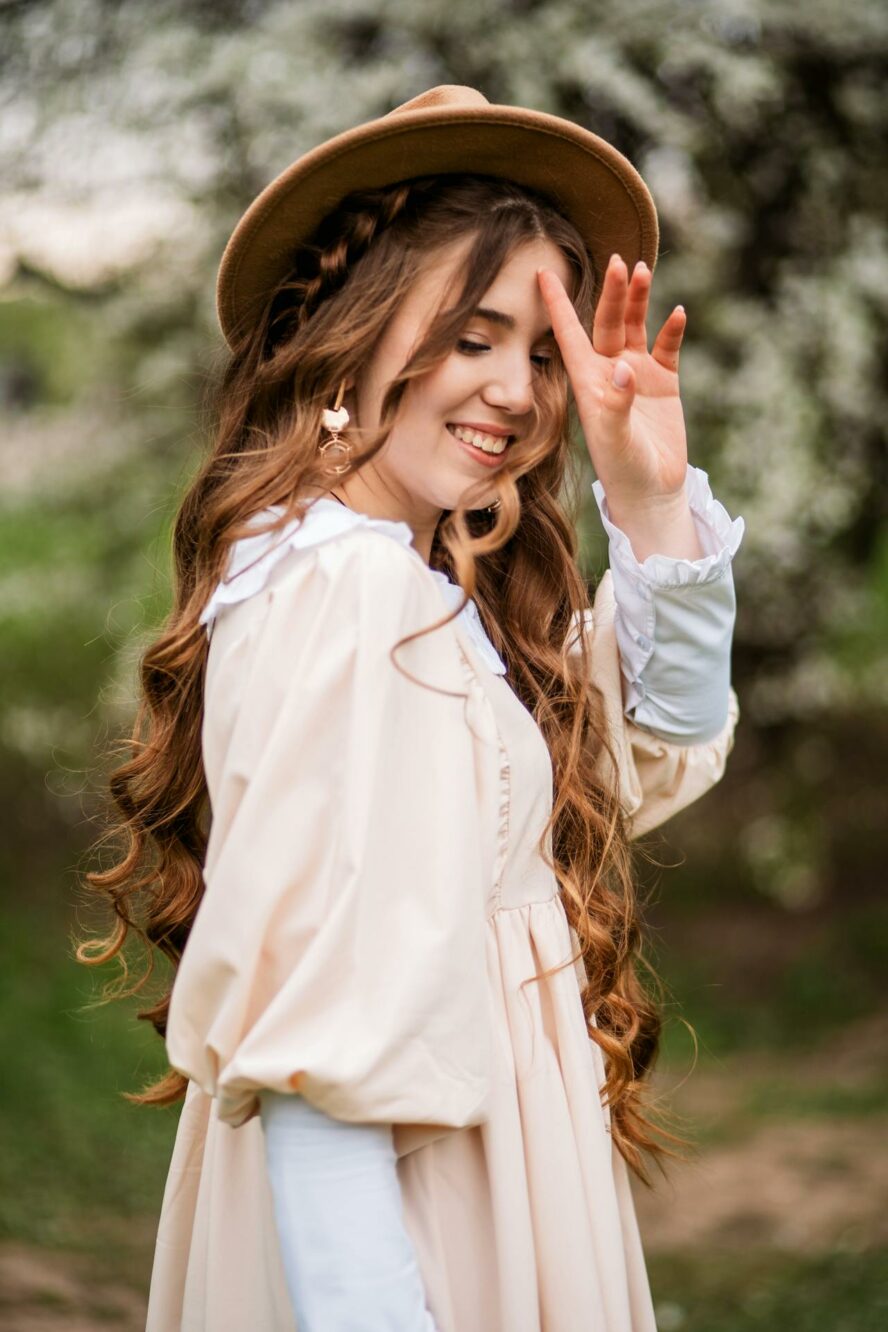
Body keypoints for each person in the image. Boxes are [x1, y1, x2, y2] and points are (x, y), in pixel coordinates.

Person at [81, 85, 744, 1330]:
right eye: (471, 334)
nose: (516, 391)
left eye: (543, 352)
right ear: (358, 329)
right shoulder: (349, 596)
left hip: (502, 1168)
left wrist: (649, 504)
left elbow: (644, 758)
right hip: (420, 1216)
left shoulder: (414, 584)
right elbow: (324, 1061)